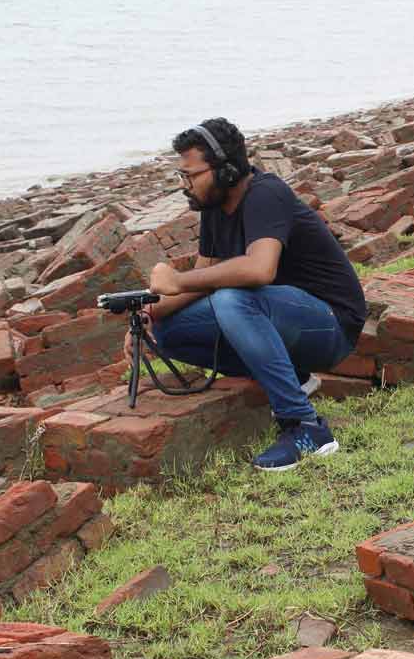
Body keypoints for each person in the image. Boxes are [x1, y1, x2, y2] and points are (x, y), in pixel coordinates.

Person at [135, 117, 367, 472]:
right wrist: (149, 315)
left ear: (226, 170)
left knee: (233, 299)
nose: (186, 185)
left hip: (331, 325)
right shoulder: (214, 208)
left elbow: (260, 270)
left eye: (192, 175)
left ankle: (305, 427)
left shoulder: (266, 194)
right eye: (182, 176)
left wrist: (178, 280)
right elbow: (203, 278)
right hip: (282, 321)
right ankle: (295, 377)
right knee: (169, 332)